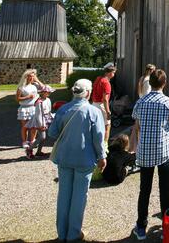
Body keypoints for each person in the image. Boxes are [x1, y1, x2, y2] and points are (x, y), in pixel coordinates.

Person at [48, 79, 106, 242]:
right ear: (87, 93)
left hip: (65, 158)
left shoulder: (63, 109)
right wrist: (102, 157)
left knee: (64, 196)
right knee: (79, 197)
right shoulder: (93, 112)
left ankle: (62, 234)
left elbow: (52, 133)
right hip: (84, 159)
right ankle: (73, 234)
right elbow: (98, 139)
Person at [132, 69, 169, 241]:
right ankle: (166, 228)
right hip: (164, 151)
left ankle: (141, 226)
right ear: (164, 83)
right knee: (165, 188)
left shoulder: (141, 102)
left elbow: (137, 126)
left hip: (145, 150)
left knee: (144, 190)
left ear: (149, 82)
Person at [25, 84, 55, 158]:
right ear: (42, 92)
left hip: (47, 118)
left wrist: (51, 117)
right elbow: (38, 114)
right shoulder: (39, 102)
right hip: (40, 120)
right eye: (46, 92)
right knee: (42, 137)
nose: (48, 93)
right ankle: (29, 149)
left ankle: (39, 151)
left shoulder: (48, 100)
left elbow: (49, 110)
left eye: (49, 92)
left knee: (43, 137)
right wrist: (41, 125)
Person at [16, 69, 42, 148]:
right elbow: (17, 99)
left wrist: (37, 80)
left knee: (34, 126)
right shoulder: (21, 87)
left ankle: (32, 141)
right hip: (24, 108)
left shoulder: (34, 86)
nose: (31, 78)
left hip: (33, 108)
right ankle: (24, 141)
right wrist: (28, 97)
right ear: (26, 77)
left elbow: (44, 88)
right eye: (30, 76)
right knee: (25, 126)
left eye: (33, 76)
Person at [92, 62, 116, 143]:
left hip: (94, 104)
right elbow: (105, 99)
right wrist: (108, 111)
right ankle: (104, 146)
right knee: (107, 126)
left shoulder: (98, 78)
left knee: (96, 126)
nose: (114, 74)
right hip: (101, 105)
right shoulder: (106, 83)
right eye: (113, 72)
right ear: (109, 73)